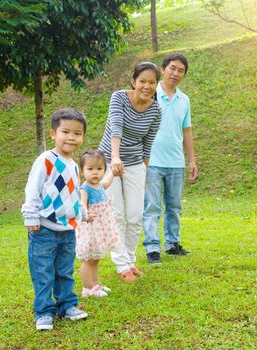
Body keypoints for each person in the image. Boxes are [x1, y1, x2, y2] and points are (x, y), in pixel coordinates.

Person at [21, 108, 88, 331]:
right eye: (65, 132)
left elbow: (74, 192)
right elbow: (32, 189)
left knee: (64, 270)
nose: (71, 137)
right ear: (53, 134)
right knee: (43, 271)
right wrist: (30, 215)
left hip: (68, 228)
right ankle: (44, 311)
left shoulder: (74, 164)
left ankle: (67, 305)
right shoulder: (46, 160)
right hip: (44, 228)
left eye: (77, 134)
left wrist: (82, 213)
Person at [98, 62, 162, 282]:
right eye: (142, 81)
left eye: (152, 82)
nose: (146, 86)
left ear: (156, 85)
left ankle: (130, 260)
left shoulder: (155, 110)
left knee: (135, 215)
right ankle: (121, 265)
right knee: (117, 214)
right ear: (133, 81)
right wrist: (114, 158)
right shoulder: (119, 98)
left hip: (135, 163)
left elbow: (148, 142)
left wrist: (143, 172)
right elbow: (116, 127)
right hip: (108, 159)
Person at [142, 53, 198, 265]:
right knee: (152, 206)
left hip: (176, 162)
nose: (176, 73)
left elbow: (187, 131)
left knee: (174, 206)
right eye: (172, 68)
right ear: (163, 69)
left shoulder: (184, 100)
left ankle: (173, 244)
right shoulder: (150, 93)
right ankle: (152, 247)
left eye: (181, 70)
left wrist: (191, 160)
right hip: (151, 161)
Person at [75, 150, 120, 297]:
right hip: (91, 228)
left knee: (96, 258)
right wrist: (86, 213)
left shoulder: (100, 185)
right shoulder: (85, 189)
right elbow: (81, 203)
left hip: (101, 228)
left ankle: (95, 284)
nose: (95, 173)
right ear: (82, 172)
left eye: (99, 169)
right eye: (90, 169)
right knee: (88, 259)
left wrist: (113, 173)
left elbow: (107, 182)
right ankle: (87, 288)